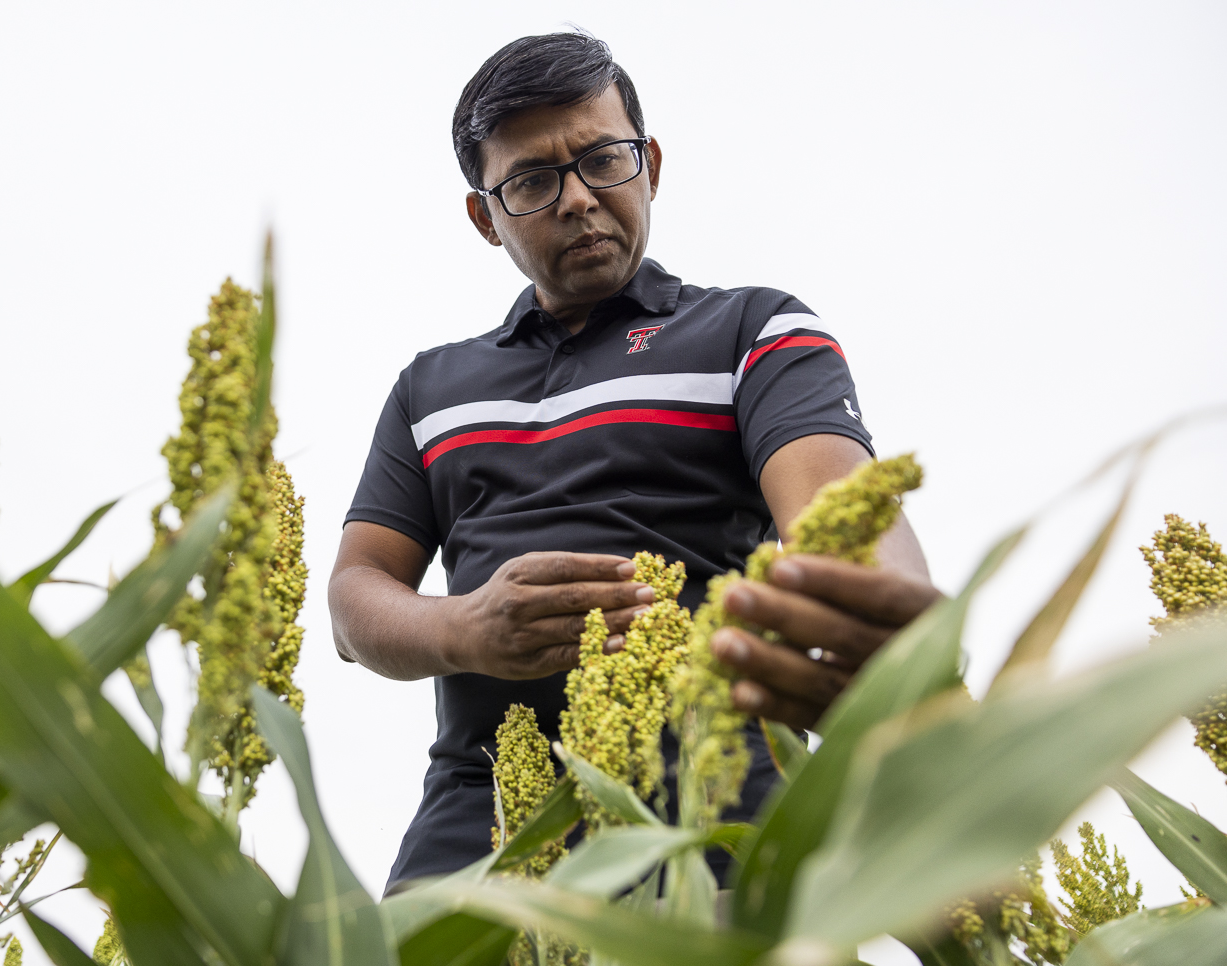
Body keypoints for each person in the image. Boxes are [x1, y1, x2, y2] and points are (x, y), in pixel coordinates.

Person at [328, 32, 941, 894]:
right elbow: (355, 602)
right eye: (533, 182)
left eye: (603, 160)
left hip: (717, 803)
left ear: (649, 165)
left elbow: (843, 519)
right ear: (484, 215)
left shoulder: (754, 332)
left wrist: (891, 620)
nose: (577, 198)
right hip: (481, 819)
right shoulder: (430, 388)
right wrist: (465, 628)